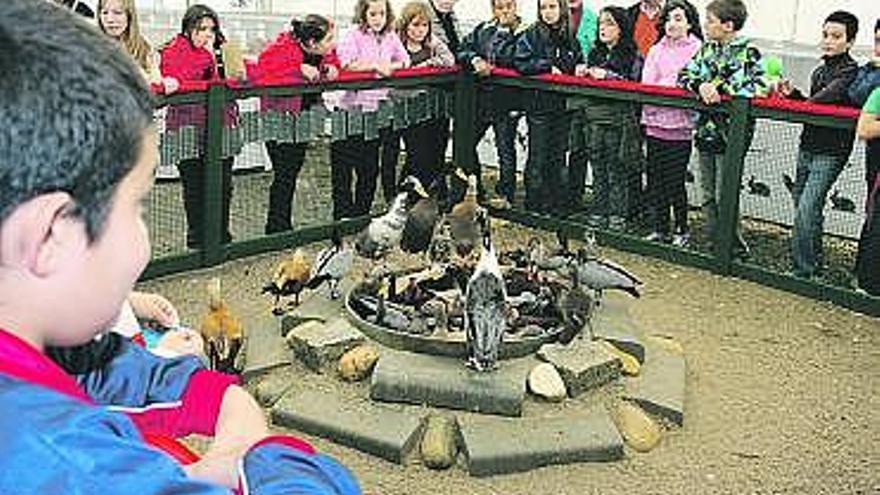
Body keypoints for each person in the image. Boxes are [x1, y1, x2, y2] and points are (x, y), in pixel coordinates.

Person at [0, 1, 360, 493]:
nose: (142, 238)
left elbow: (93, 371)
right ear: (50, 236)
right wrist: (267, 454)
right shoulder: (63, 462)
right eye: (137, 206)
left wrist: (212, 394)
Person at [678, 0, 767, 257]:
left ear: (728, 25)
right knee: (707, 193)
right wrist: (700, 87)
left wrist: (719, 88)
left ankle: (733, 247)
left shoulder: (749, 52)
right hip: (705, 130)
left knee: (724, 193)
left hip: (732, 135)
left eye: (710, 21)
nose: (705, 25)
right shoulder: (706, 49)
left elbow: (757, 86)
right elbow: (684, 75)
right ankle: (714, 241)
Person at [776, 11, 859, 279]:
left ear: (850, 41)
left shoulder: (850, 72)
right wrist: (795, 94)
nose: (828, 41)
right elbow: (813, 103)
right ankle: (813, 264)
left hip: (831, 152)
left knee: (806, 209)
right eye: (825, 35)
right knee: (805, 207)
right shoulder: (820, 70)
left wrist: (796, 101)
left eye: (836, 36)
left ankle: (804, 271)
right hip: (808, 145)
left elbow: (822, 101)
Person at [160, 4, 238, 249]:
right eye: (201, 28)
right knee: (194, 186)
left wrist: (223, 57)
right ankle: (197, 240)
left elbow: (236, 77)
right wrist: (207, 59)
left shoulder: (216, 52)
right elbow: (178, 77)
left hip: (218, 126)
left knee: (223, 183)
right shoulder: (173, 51)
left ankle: (221, 236)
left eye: (211, 29)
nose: (207, 34)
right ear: (188, 28)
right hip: (187, 128)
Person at [256, 15, 340, 234]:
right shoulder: (282, 49)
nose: (332, 44)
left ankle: (281, 224)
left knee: (290, 171)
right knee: (285, 172)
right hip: (279, 121)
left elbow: (332, 59)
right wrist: (298, 70)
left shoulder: (320, 51)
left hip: (302, 119)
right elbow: (263, 69)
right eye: (328, 39)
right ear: (312, 42)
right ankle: (277, 227)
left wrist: (329, 67)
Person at [331, 0, 410, 220]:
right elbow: (346, 63)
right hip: (349, 109)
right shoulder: (351, 34)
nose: (378, 18)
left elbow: (405, 60)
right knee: (343, 167)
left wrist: (389, 67)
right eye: (373, 13)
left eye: (382, 13)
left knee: (369, 167)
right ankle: (342, 215)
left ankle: (361, 214)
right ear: (363, 14)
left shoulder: (390, 35)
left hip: (376, 110)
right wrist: (375, 66)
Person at [514, 0, 586, 214]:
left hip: (563, 106)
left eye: (552, 7)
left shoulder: (570, 36)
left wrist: (580, 67)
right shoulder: (531, 34)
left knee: (558, 155)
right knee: (537, 156)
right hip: (539, 105)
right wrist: (546, 67)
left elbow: (577, 59)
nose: (547, 12)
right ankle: (534, 204)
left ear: (561, 8)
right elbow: (521, 61)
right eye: (543, 7)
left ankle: (555, 203)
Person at [640, 0, 702, 245]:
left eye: (678, 18)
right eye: (668, 19)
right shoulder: (657, 49)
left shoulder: (698, 48)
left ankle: (682, 229)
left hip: (680, 127)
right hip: (654, 123)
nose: (672, 24)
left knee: (675, 181)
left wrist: (669, 87)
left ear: (689, 22)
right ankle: (660, 228)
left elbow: (689, 82)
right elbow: (648, 81)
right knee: (656, 179)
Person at [579, 5, 644, 230]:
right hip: (593, 118)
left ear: (621, 28)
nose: (603, 29)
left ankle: (618, 215)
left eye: (609, 23)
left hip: (619, 120)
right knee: (597, 166)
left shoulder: (632, 55)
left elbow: (635, 84)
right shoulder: (595, 53)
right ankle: (599, 210)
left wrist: (608, 76)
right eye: (600, 23)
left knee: (617, 167)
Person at [457, 0, 526, 209]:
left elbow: (516, 59)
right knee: (468, 143)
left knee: (505, 149)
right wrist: (475, 59)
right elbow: (463, 49)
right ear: (493, 8)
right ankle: (474, 187)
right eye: (499, 6)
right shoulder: (483, 29)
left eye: (508, 6)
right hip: (482, 98)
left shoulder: (525, 32)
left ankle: (506, 194)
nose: (504, 11)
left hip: (507, 99)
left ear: (516, 6)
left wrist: (505, 32)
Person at [394, 1, 455, 195]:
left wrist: (427, 65)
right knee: (415, 152)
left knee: (432, 148)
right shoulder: (396, 42)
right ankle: (405, 192)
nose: (420, 30)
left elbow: (449, 59)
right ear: (405, 25)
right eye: (415, 25)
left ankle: (424, 191)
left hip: (427, 104)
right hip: (402, 107)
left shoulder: (431, 41)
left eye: (424, 25)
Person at [848, 19, 880, 198]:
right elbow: (855, 95)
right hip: (876, 154)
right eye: (878, 41)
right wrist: (873, 70)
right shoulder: (869, 70)